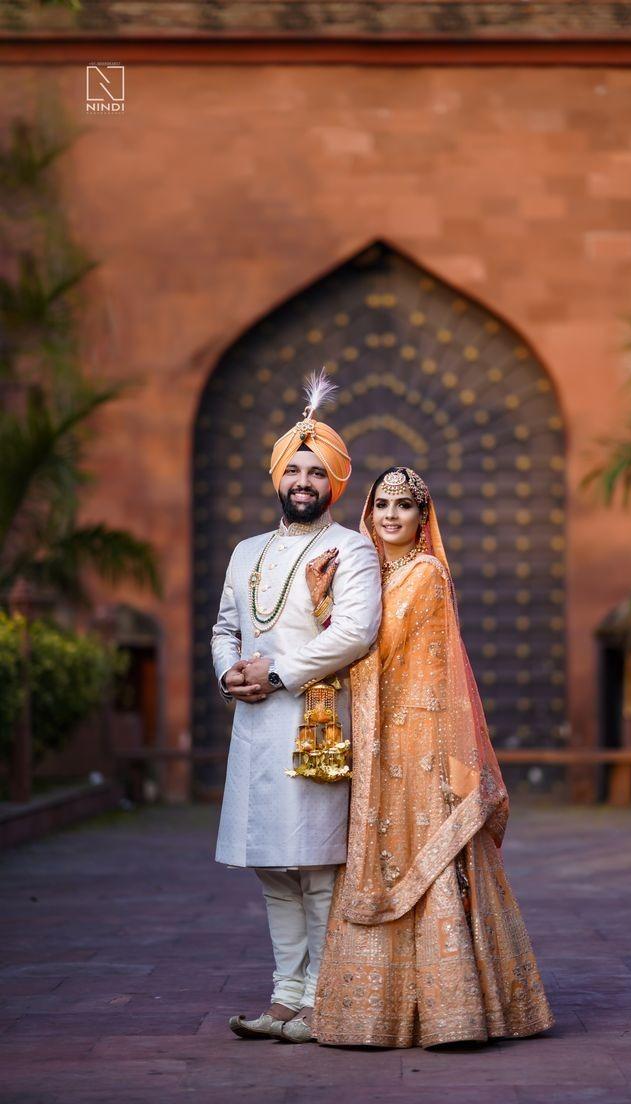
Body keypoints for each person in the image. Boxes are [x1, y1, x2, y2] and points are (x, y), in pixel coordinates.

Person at [311, 466, 555, 1048]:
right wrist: (331, 608)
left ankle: (455, 1012)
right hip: (377, 738)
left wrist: (324, 610)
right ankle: (376, 1014)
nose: (391, 515)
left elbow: (371, 644)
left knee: (428, 849)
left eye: (405, 506)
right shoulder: (373, 576)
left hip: (417, 741)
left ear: (423, 520)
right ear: (367, 513)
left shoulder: (425, 573)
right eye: (381, 505)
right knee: (380, 850)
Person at [210, 372, 381, 1044]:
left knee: (313, 865)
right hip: (251, 724)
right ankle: (284, 997)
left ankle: (317, 1000)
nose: (304, 481)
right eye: (294, 469)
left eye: (317, 471)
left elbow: (355, 633)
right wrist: (230, 672)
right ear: (278, 477)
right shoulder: (246, 551)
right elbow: (225, 625)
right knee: (271, 866)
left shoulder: (353, 548)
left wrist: (275, 671)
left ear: (335, 483)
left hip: (317, 725)